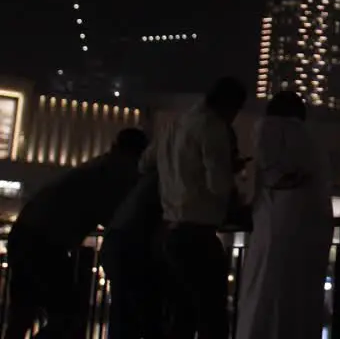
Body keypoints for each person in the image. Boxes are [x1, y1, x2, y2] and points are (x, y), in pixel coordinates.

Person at [3, 128, 149, 339]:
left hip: (25, 233)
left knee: (22, 316)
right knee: (68, 316)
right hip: (45, 243)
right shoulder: (118, 171)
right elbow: (115, 217)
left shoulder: (98, 166)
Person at [155, 77, 248, 339]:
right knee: (212, 315)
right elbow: (218, 185)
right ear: (231, 106)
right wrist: (232, 170)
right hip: (198, 236)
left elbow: (145, 163)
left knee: (180, 316)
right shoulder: (213, 127)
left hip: (170, 231)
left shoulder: (175, 125)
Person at [235, 91, 333, 339]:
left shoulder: (270, 128)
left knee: (265, 288)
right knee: (299, 294)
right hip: (311, 228)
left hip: (275, 224)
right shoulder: (313, 139)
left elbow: (270, 167)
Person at [100, 164, 166, 339]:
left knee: (124, 315)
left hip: (117, 244)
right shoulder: (169, 178)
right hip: (132, 249)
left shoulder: (149, 179)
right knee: (145, 315)